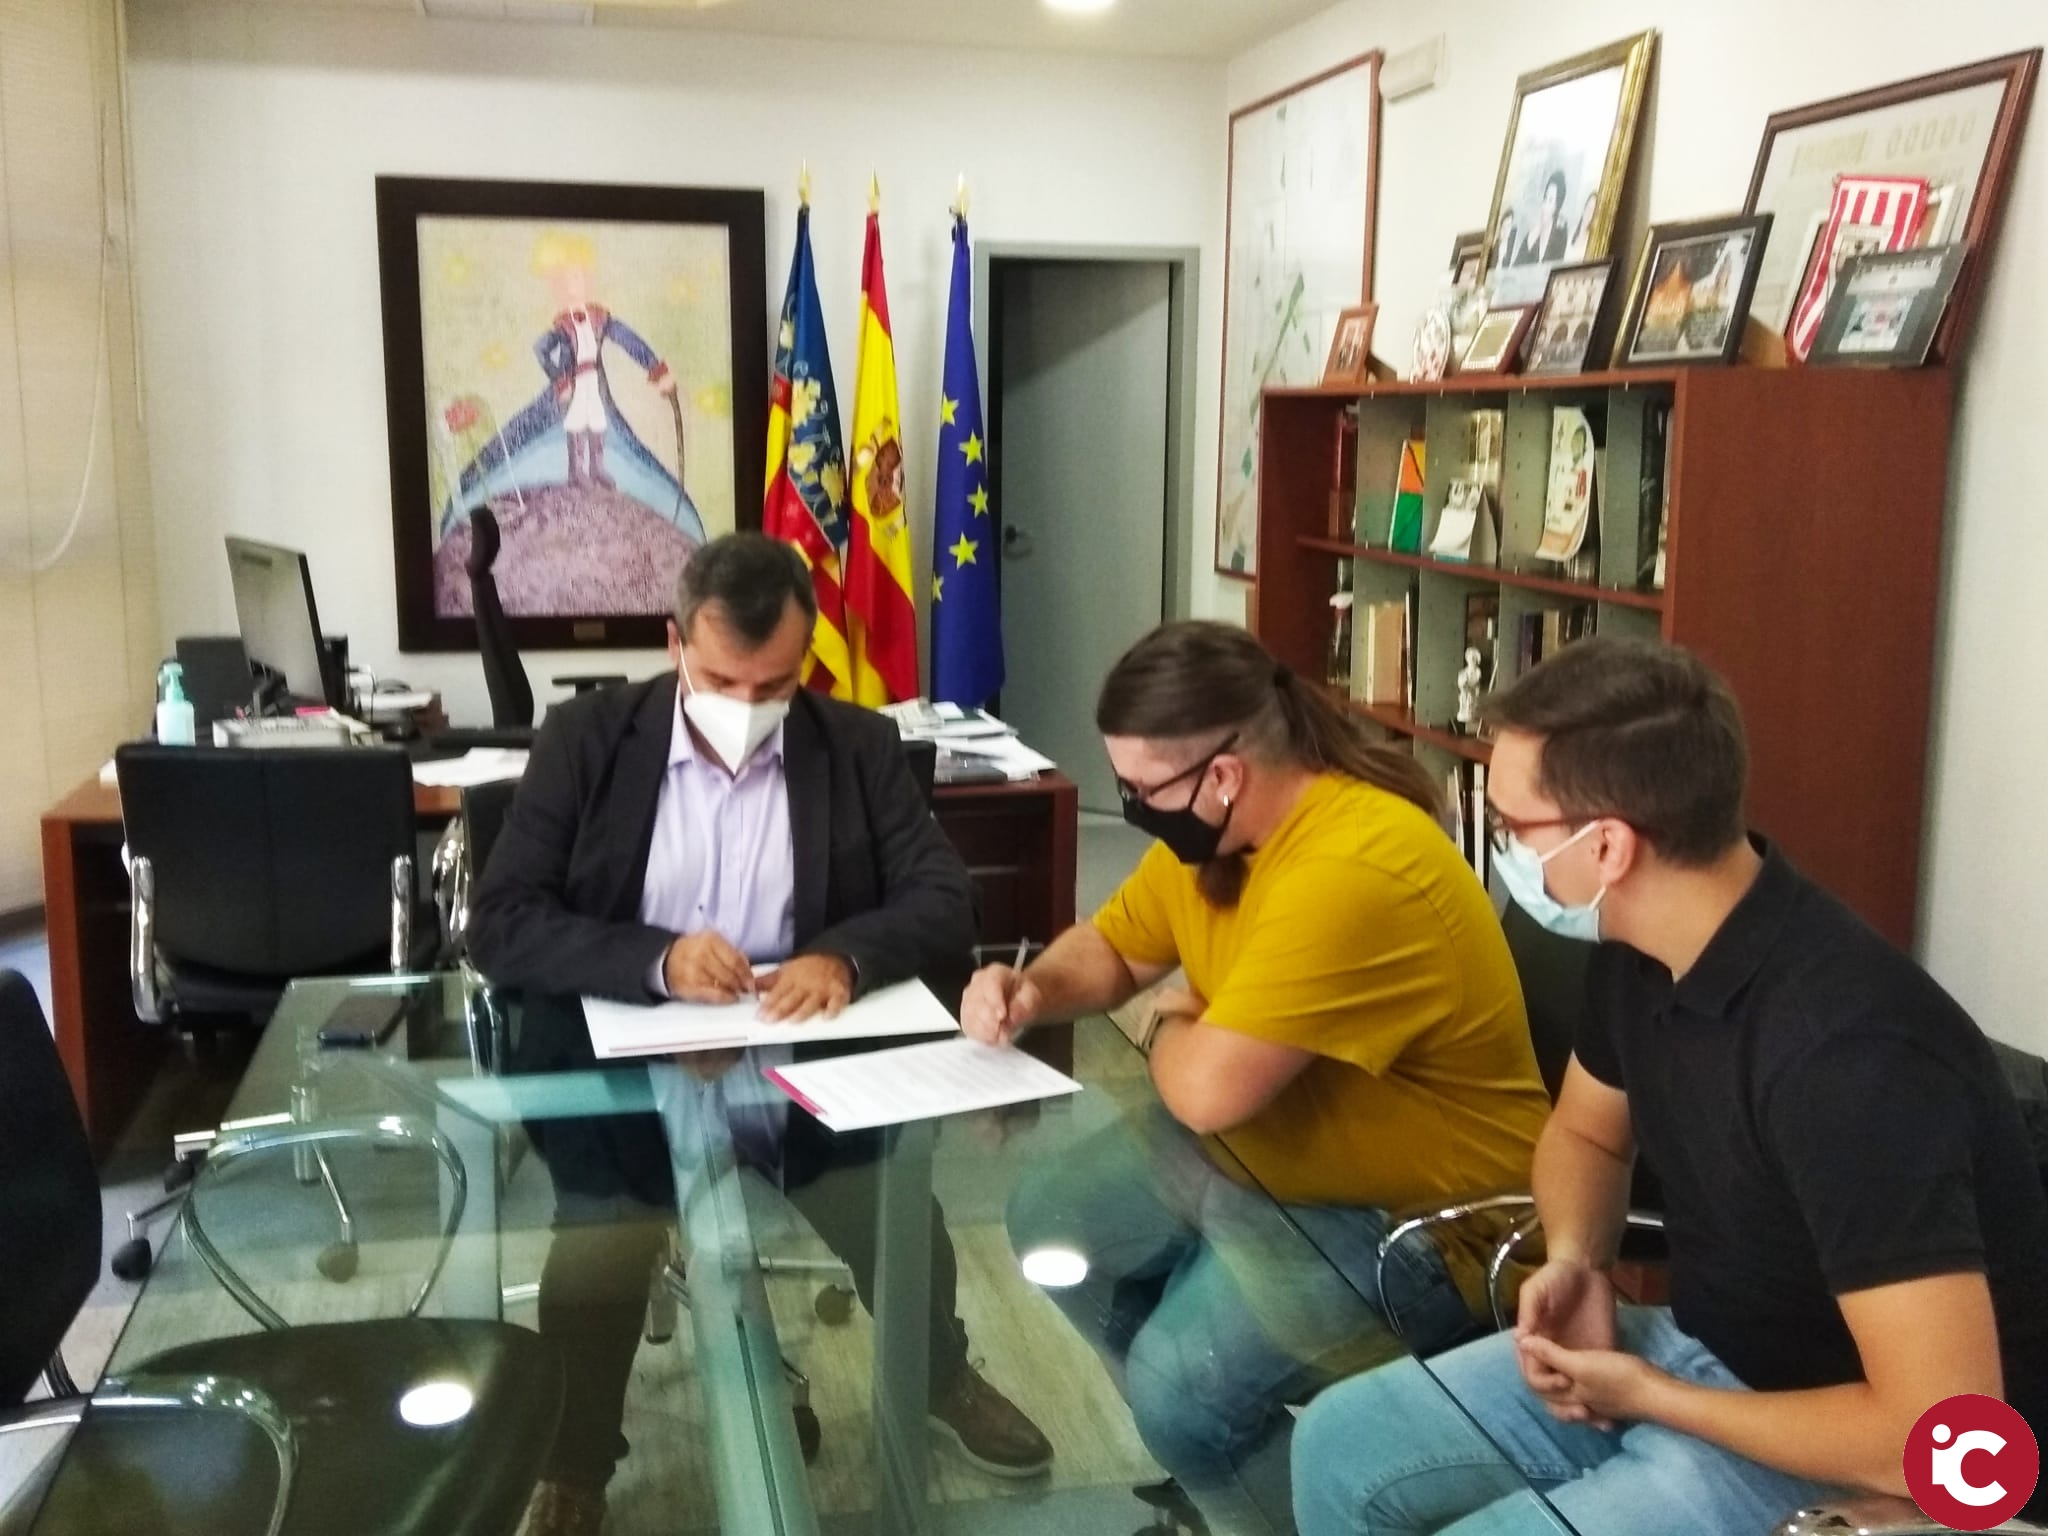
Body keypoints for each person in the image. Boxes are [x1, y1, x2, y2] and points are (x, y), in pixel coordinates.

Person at [1293, 636, 2048, 1536]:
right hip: (1707, 1353)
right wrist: (1578, 1260)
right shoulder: (1645, 949)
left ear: (1608, 844)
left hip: (1861, 1449)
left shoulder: (1851, 1061)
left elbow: (1945, 1438)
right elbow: (1586, 1135)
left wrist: (1652, 1395)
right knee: (1337, 1445)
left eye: (1512, 827)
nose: (1503, 850)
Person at [470, 532, 1052, 1535]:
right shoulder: (586, 740)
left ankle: (937, 1374)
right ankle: (575, 1462)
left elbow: (944, 899)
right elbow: (503, 921)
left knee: (899, 1216)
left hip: (805, 1062)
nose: (745, 708)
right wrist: (655, 960)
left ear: (805, 661)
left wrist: (844, 956)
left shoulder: (855, 745)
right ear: (674, 647)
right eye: (719, 681)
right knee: (598, 1253)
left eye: (773, 685)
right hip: (632, 1066)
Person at [965, 621, 1550, 1534]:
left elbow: (1204, 1092)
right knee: (1052, 1221)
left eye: (1142, 789)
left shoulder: (1352, 864)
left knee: (1179, 1387)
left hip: (1429, 1227)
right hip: (1270, 1158)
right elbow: (1115, 947)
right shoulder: (1218, 837)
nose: (1133, 807)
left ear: (1225, 776)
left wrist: (1166, 1018)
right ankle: (1222, 1469)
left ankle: (1245, 1473)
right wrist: (1035, 988)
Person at [1515, 173, 1569, 266]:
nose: (1545, 205)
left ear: (1557, 205)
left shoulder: (1560, 234)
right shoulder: (1532, 233)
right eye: (1545, 198)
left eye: (1551, 200)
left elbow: (1558, 267)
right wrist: (1530, 242)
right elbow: (1516, 267)